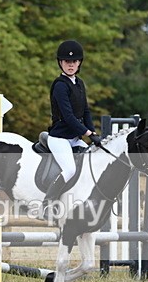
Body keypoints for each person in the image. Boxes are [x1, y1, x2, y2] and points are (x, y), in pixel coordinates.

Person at [40, 39, 103, 220]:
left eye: (74, 62)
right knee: (69, 170)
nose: (71, 65)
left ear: (79, 63)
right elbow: (68, 117)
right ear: (60, 62)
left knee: (94, 162)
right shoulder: (60, 85)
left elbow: (85, 111)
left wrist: (93, 134)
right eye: (67, 62)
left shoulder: (79, 83)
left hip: (75, 138)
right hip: (59, 137)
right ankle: (48, 203)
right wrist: (88, 134)